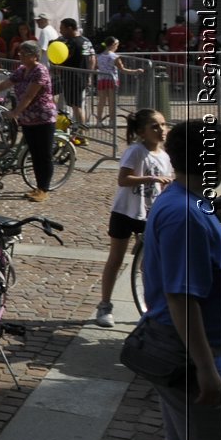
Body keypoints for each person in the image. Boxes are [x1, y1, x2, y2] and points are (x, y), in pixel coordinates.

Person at [138, 118, 221, 440]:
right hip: (189, 354)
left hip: (173, 348)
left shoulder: (183, 202)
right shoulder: (186, 213)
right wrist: (208, 370)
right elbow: (181, 298)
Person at [92, 109, 171, 328]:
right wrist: (151, 177)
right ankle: (105, 305)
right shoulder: (136, 151)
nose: (161, 130)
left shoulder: (164, 156)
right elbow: (123, 179)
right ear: (141, 132)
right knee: (116, 258)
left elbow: (164, 184)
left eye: (163, 125)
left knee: (149, 263)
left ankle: (151, 305)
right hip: (125, 211)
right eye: (155, 126)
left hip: (150, 213)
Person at [0, 40, 56, 203]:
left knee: (43, 155)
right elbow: (5, 83)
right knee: (34, 154)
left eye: (24, 53)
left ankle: (44, 189)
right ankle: (38, 187)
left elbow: (29, 95)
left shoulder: (40, 71)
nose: (20, 56)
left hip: (43, 117)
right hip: (28, 119)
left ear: (34, 56)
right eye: (20, 53)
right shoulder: (22, 70)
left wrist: (15, 112)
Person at [93, 36, 143, 126]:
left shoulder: (99, 55)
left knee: (101, 101)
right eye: (117, 45)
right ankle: (112, 121)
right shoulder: (115, 57)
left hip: (101, 79)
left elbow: (96, 67)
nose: (117, 47)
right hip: (112, 80)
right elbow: (123, 69)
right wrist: (135, 71)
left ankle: (98, 121)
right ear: (113, 45)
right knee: (112, 101)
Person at [56, 18, 95, 127]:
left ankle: (81, 133)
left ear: (69, 28)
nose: (60, 31)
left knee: (76, 107)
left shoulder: (70, 43)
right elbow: (92, 59)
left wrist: (56, 63)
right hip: (81, 77)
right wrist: (89, 75)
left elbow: (62, 59)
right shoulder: (86, 41)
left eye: (62, 29)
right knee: (77, 105)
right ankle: (77, 130)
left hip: (72, 78)